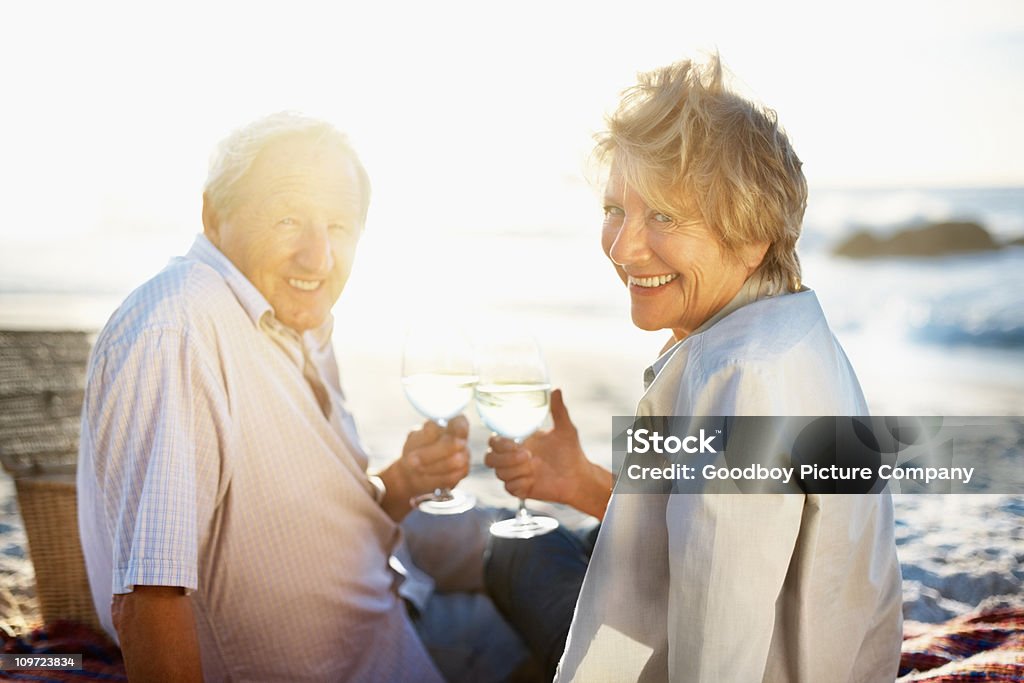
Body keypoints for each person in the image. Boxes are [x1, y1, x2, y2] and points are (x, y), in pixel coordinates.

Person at [485, 55, 903, 682]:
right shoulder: (792, 331)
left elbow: (714, 650)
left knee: (512, 555)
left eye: (663, 216)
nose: (622, 247)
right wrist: (580, 482)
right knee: (571, 549)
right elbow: (708, 544)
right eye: (614, 208)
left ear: (752, 235)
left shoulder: (736, 376)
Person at [77, 112, 530, 682]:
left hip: (394, 602)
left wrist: (400, 484)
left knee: (575, 558)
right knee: (572, 615)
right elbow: (149, 597)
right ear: (214, 216)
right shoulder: (182, 328)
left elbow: (288, 520)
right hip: (364, 661)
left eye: (339, 227)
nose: (318, 259)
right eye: (288, 219)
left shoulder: (294, 318)